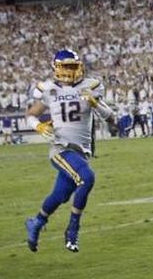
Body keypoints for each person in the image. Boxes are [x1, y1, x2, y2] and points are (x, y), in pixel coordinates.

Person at [23, 49, 118, 253]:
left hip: (81, 151)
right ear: (56, 68)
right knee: (86, 178)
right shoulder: (48, 90)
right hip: (60, 148)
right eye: (66, 66)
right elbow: (31, 114)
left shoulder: (90, 86)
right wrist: (38, 126)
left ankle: (36, 222)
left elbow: (110, 117)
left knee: (60, 195)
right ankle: (73, 229)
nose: (70, 70)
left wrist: (95, 104)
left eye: (73, 66)